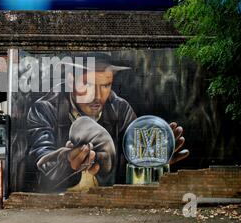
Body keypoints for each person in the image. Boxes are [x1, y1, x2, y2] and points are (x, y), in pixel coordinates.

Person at [26, 53, 189, 192]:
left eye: (105, 85)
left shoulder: (120, 109)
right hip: (58, 202)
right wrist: (67, 160)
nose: (96, 96)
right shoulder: (45, 109)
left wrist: (150, 164)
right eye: (87, 84)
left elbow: (131, 158)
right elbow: (42, 157)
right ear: (70, 81)